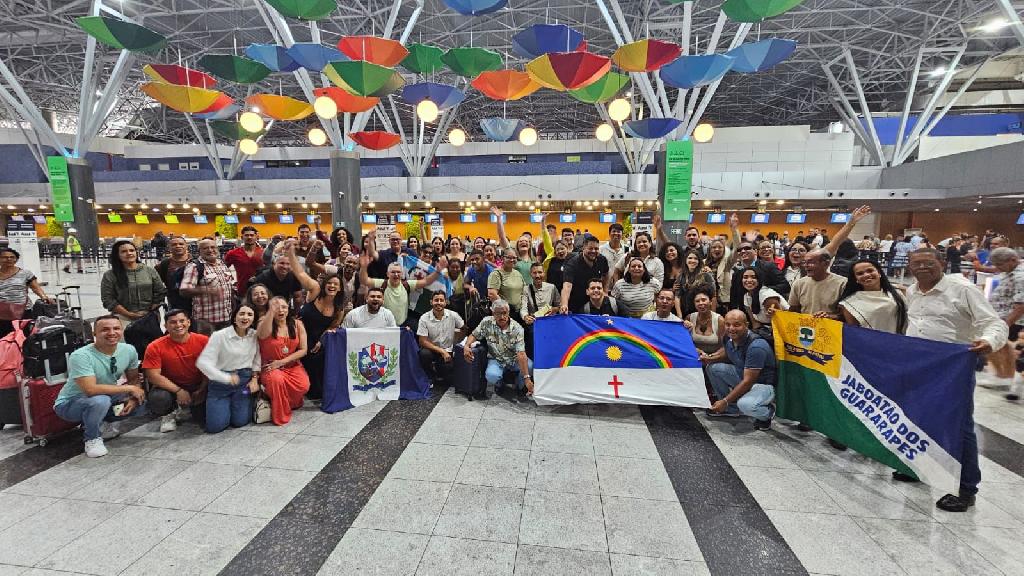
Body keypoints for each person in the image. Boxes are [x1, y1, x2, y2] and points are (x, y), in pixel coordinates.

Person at [905, 248, 1007, 512]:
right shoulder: (912, 291)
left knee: (960, 426)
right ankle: (919, 467)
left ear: (942, 263)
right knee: (918, 418)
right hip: (918, 364)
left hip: (953, 368)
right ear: (909, 267)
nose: (922, 268)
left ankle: (966, 488)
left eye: (928, 263)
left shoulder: (963, 290)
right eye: (917, 264)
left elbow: (995, 323)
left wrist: (988, 341)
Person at [53, 315, 145, 457]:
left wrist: (133, 398)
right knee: (100, 401)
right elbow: (90, 389)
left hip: (106, 396)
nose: (112, 333)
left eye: (116, 328)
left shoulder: (129, 350)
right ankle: (92, 438)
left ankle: (103, 421)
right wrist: (130, 388)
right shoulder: (81, 355)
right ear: (94, 333)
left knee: (141, 403)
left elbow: (134, 379)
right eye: (105, 329)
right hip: (70, 403)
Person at [282, 240, 348, 401]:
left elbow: (332, 327)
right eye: (329, 283)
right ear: (324, 285)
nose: (332, 286)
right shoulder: (315, 291)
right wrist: (291, 254)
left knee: (321, 358)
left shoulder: (339, 308)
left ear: (340, 288)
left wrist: (322, 340)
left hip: (317, 342)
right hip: (298, 336)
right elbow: (300, 273)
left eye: (336, 284)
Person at [703, 310, 776, 430]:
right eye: (728, 324)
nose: (731, 328)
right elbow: (728, 352)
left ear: (746, 325)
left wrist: (725, 401)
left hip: (763, 384)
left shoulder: (756, 346)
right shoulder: (728, 337)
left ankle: (767, 412)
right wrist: (710, 358)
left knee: (745, 405)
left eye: (736, 325)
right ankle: (731, 409)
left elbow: (748, 381)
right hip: (744, 374)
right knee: (713, 368)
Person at [196, 304, 262, 434]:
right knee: (216, 427)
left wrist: (255, 379)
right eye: (241, 314)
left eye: (250, 315)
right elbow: (203, 363)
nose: (245, 317)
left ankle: (237, 404)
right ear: (234, 317)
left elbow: (257, 359)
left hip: (243, 384)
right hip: (220, 384)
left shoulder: (254, 335)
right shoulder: (219, 335)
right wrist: (225, 378)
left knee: (240, 422)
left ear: (253, 319)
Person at [142, 309, 209, 433]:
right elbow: (153, 376)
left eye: (182, 321)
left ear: (188, 322)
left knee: (204, 418)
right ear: (165, 326)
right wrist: (179, 391)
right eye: (173, 322)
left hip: (197, 384)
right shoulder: (155, 346)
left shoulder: (204, 341)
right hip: (171, 387)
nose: (178, 325)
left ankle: (190, 407)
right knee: (159, 397)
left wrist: (202, 389)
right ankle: (168, 413)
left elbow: (211, 368)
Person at [256, 296, 310, 426]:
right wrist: (270, 312)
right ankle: (279, 411)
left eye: (284, 307)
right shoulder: (264, 321)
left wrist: (282, 362)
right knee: (277, 380)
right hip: (270, 366)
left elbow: (303, 350)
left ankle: (274, 399)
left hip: (291, 365)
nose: (280, 310)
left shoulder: (297, 324)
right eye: (276, 307)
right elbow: (262, 335)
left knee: (304, 385)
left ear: (288, 308)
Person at [463, 299, 533, 402]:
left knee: (530, 366)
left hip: (514, 358)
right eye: (498, 313)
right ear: (493, 313)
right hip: (496, 358)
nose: (502, 317)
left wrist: (527, 379)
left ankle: (520, 386)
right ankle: (499, 383)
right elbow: (474, 335)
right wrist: (466, 345)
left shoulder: (517, 329)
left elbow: (521, 353)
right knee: (492, 375)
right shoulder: (486, 322)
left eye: (504, 313)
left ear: (508, 312)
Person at [359, 255, 441, 329]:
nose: (396, 274)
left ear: (402, 274)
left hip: (403, 326)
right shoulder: (382, 284)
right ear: (387, 274)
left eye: (398, 272)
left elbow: (426, 281)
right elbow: (364, 280)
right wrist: (363, 267)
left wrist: (437, 272)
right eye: (393, 272)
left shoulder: (407, 285)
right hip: (385, 326)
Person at [985, 247, 1024, 398]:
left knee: (997, 346)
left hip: (1013, 320)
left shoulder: (1020, 276)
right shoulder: (1009, 273)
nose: (997, 268)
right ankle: (1004, 377)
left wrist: (1005, 324)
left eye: (999, 264)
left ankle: (1006, 377)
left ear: (1013, 260)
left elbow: (1021, 305)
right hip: (1000, 317)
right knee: (1000, 347)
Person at [100, 240, 166, 326]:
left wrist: (149, 311)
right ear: (117, 255)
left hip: (150, 316)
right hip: (122, 317)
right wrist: (128, 314)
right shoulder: (110, 275)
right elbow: (108, 299)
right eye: (124, 251)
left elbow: (160, 292)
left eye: (132, 250)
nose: (129, 253)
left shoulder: (149, 271)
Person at [838, 259, 908, 334]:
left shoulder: (898, 291)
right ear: (856, 279)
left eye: (870, 271)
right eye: (860, 273)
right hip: (872, 340)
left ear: (879, 273)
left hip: (905, 338)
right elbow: (855, 332)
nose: (866, 275)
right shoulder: (849, 304)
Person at [180, 238, 236, 330]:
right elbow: (184, 290)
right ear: (199, 251)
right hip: (206, 321)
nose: (210, 250)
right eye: (205, 248)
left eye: (213, 247)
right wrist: (206, 290)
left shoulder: (222, 264)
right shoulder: (194, 267)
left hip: (226, 318)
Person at [0, 247, 52, 337]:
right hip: (2, 312)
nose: (9, 259)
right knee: (4, 337)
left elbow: (36, 287)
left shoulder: (25, 273)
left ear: (16, 259)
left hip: (23, 310)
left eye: (12, 257)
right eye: (5, 257)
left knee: (23, 336)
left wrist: (44, 297)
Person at [417, 290, 465, 386]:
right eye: (436, 300)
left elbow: (464, 329)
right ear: (431, 302)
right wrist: (441, 351)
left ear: (445, 302)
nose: (439, 303)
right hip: (431, 349)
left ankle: (439, 372)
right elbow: (422, 341)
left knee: (447, 373)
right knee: (424, 354)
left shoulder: (453, 315)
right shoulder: (424, 318)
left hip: (447, 350)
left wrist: (457, 344)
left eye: (441, 300)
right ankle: (430, 375)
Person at [729, 238, 790, 308]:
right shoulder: (736, 273)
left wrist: (761, 289)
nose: (743, 251)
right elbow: (734, 297)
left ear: (755, 251)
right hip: (745, 310)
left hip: (767, 308)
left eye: (747, 248)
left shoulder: (768, 266)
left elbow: (785, 286)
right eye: (739, 250)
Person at [788, 249, 847, 320]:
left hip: (831, 325)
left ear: (826, 264)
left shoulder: (842, 283)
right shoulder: (799, 284)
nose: (806, 265)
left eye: (810, 262)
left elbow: (846, 315)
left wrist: (829, 316)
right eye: (804, 262)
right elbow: (793, 311)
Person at [560, 235, 610, 314]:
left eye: (596, 249)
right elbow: (567, 286)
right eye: (590, 248)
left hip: (595, 302)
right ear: (583, 248)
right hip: (576, 301)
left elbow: (606, 274)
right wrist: (564, 304)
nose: (593, 251)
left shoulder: (602, 260)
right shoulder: (572, 263)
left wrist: (605, 291)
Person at [705, 214, 741, 312]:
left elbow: (737, 248)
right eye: (714, 247)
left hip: (723, 301)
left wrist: (734, 229)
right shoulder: (703, 263)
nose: (717, 249)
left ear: (724, 250)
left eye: (720, 247)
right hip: (706, 301)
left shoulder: (727, 263)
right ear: (710, 250)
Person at [224, 225, 264, 297]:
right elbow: (222, 269)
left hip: (261, 292)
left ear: (256, 237)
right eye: (246, 235)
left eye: (252, 235)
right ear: (242, 237)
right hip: (242, 292)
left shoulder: (263, 252)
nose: (249, 237)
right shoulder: (233, 253)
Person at [674, 248, 716, 318]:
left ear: (699, 261)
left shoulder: (706, 274)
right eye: (690, 258)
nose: (692, 260)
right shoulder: (681, 276)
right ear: (685, 260)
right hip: (685, 312)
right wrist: (679, 315)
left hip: (702, 311)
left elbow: (713, 296)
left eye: (695, 258)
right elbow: (677, 296)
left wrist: (713, 315)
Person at [685, 288, 725, 358]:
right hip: (694, 356)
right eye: (697, 301)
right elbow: (684, 342)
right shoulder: (689, 318)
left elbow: (724, 347)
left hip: (715, 358)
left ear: (710, 302)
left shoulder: (720, 320)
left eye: (704, 300)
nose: (701, 303)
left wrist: (710, 357)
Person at [488, 247, 526, 318]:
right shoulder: (496, 273)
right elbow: (492, 294)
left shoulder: (518, 273)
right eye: (509, 257)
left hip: (519, 313)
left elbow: (524, 291)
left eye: (514, 258)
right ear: (502, 258)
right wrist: (506, 310)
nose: (512, 260)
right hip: (504, 314)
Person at [157, 236, 192, 310]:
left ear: (186, 246)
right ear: (169, 248)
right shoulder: (164, 264)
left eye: (181, 244)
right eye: (174, 244)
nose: (178, 246)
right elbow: (157, 285)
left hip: (195, 302)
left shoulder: (195, 262)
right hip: (174, 304)